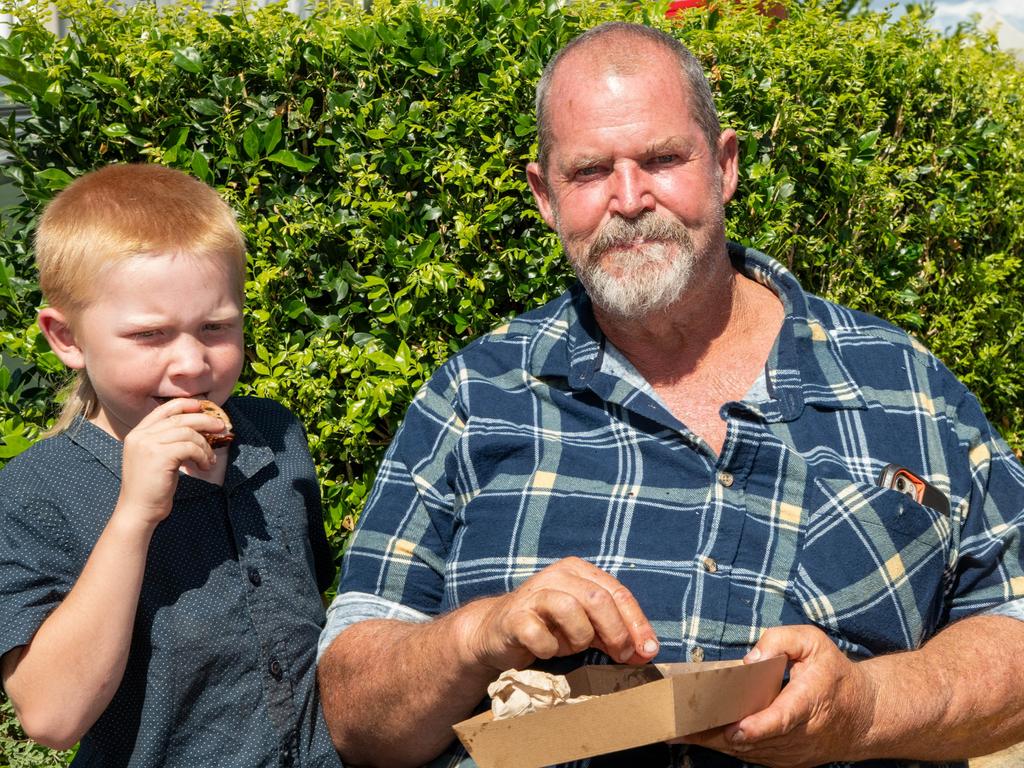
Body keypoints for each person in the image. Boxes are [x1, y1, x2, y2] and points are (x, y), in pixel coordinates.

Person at [316, 21, 1024, 768]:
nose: (629, 198)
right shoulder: (475, 394)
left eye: (661, 159)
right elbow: (352, 711)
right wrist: (476, 635)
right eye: (590, 171)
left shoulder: (900, 384)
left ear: (724, 166)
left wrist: (869, 708)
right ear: (544, 194)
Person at [0, 164, 342, 768]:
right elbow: (51, 718)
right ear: (67, 338)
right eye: (151, 335)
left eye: (216, 327)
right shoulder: (33, 494)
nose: (190, 363)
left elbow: (309, 600)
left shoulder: (273, 436)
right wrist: (134, 516)